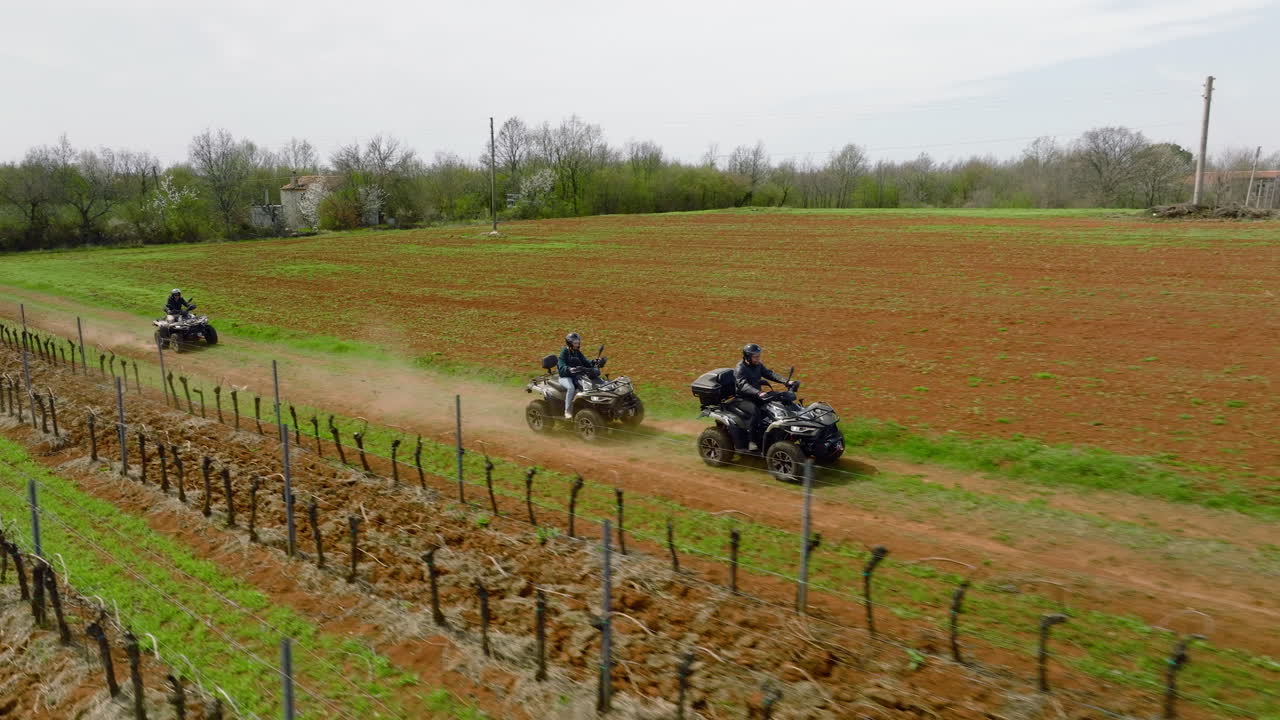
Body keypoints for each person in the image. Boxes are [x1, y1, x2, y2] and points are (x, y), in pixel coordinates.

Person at [731, 343, 798, 452]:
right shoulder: (740, 368)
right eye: (755, 356)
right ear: (748, 356)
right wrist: (758, 392)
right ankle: (751, 441)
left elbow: (769, 374)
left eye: (759, 356)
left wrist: (786, 381)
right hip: (743, 398)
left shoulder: (758, 365)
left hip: (757, 395)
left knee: (775, 406)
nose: (758, 358)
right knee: (755, 412)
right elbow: (743, 385)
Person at [557, 332, 593, 419]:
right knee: (571, 388)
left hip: (576, 376)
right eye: (575, 343)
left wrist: (594, 362)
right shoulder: (564, 352)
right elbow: (561, 366)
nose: (577, 344)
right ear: (570, 343)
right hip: (565, 377)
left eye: (578, 342)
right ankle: (567, 411)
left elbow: (585, 361)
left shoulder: (577, 352)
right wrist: (569, 369)